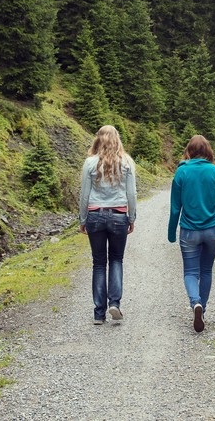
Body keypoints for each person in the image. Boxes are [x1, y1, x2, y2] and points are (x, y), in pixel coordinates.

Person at [168, 135, 215, 333]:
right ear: (208, 151)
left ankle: (195, 302)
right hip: (214, 231)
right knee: (206, 271)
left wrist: (172, 232)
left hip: (189, 232)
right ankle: (202, 310)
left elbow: (174, 208)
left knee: (190, 272)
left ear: (188, 150)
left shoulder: (181, 172)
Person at [79, 125, 136, 325]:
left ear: (98, 140)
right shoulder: (127, 162)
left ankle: (98, 313)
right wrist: (132, 218)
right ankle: (115, 303)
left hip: (95, 216)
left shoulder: (89, 163)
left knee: (98, 263)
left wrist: (82, 219)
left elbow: (84, 194)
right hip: (119, 216)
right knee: (117, 260)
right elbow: (131, 194)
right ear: (117, 139)